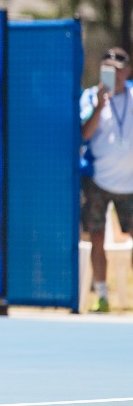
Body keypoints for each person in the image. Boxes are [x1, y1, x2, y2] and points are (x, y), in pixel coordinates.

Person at [80, 46, 133, 313]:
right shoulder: (91, 96)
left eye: (118, 67)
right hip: (100, 181)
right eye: (108, 67)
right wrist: (99, 106)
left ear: (127, 70)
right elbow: (85, 134)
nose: (114, 71)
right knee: (97, 239)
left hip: (131, 185)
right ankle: (101, 295)